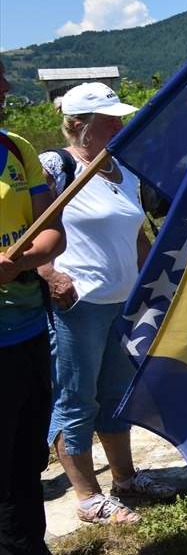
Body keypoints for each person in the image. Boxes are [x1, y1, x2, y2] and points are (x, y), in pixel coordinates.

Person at [37, 83, 176, 526]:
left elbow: (136, 236)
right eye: (110, 120)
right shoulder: (54, 167)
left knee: (116, 396)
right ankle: (87, 495)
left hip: (124, 299)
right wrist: (49, 274)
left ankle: (125, 478)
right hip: (78, 303)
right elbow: (30, 230)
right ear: (78, 124)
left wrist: (155, 282)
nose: (121, 125)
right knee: (76, 398)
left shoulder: (124, 170)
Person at [0, 60, 66, 555]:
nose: (4, 87)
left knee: (26, 458)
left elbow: (50, 228)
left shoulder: (16, 149)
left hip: (26, 331)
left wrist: (32, 257)